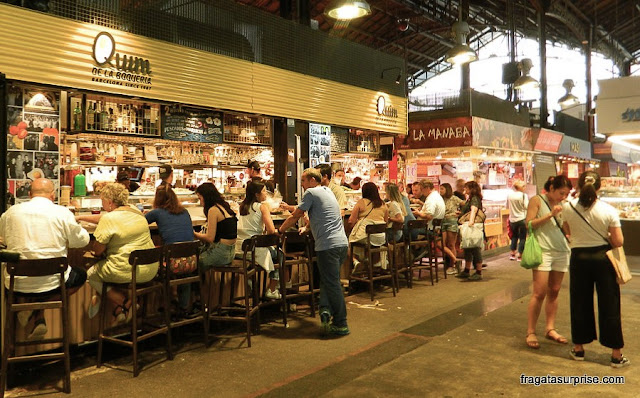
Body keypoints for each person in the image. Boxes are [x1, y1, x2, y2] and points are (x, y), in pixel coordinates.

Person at [0, 178, 89, 339]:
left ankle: (31, 310)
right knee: (81, 275)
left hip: (16, 283)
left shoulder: (10, 213)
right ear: (53, 195)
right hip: (54, 282)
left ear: (29, 194)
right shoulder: (62, 213)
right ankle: (36, 311)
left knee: (30, 282)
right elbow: (81, 241)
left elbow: (5, 240)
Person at [562, 171, 629, 367]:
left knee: (579, 302)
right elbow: (618, 241)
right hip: (603, 259)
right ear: (598, 187)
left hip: (578, 258)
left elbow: (568, 231)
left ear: (579, 186)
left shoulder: (568, 207)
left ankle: (579, 349)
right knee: (609, 303)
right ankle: (616, 354)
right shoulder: (608, 210)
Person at [278, 168, 349, 336]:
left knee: (332, 284)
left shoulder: (310, 192)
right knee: (327, 279)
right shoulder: (327, 191)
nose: (301, 184)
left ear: (311, 180)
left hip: (328, 246)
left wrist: (280, 230)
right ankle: (324, 310)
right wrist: (308, 226)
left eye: (303, 180)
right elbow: (322, 215)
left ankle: (341, 323)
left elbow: (296, 215)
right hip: (341, 244)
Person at [77, 183, 157, 323]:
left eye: (102, 201)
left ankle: (125, 302)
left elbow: (98, 250)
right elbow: (104, 218)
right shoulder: (135, 211)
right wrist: (81, 218)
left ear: (109, 202)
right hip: (149, 269)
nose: (102, 206)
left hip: (126, 271)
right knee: (111, 270)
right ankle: (120, 311)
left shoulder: (110, 219)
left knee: (92, 275)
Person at [524, 175, 572, 350]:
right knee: (539, 292)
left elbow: (566, 227)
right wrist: (550, 215)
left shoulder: (565, 205)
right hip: (543, 251)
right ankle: (531, 331)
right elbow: (529, 224)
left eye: (566, 194)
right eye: (561, 193)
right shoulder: (537, 200)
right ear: (551, 188)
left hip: (562, 251)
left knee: (555, 291)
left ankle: (550, 328)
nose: (563, 197)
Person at [145, 185, 196, 317]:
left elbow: (140, 222)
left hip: (171, 264)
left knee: (152, 268)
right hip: (192, 262)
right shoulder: (184, 211)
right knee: (184, 274)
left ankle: (164, 306)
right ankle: (183, 308)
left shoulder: (157, 212)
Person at [236, 181, 281, 299]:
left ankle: (251, 295)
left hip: (240, 249)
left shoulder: (242, 206)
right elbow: (271, 230)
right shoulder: (262, 207)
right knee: (279, 255)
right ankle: (271, 290)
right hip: (254, 248)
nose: (266, 194)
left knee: (251, 267)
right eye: (264, 191)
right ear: (257, 194)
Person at [194, 183, 237, 269]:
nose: (200, 202)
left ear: (206, 197)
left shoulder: (213, 210)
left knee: (192, 264)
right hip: (230, 253)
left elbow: (210, 238)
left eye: (200, 198)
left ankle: (199, 282)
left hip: (220, 254)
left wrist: (194, 234)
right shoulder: (224, 207)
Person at [347, 182, 389, 268]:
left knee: (347, 243)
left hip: (366, 237)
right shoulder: (383, 204)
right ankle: (372, 264)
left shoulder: (361, 202)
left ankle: (356, 262)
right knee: (368, 243)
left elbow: (351, 221)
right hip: (381, 238)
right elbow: (386, 221)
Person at [455, 181, 484, 281]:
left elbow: (474, 210)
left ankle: (478, 272)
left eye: (466, 188)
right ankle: (467, 270)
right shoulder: (471, 198)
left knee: (475, 248)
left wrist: (471, 221)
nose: (465, 190)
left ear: (471, 189)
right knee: (467, 248)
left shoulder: (474, 198)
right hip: (469, 225)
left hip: (473, 225)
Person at [440, 183, 463, 274]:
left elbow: (464, 204)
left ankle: (452, 265)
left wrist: (460, 212)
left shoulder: (454, 198)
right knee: (442, 243)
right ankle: (454, 261)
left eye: (442, 189)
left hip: (452, 221)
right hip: (443, 221)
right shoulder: (440, 199)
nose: (440, 191)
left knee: (451, 244)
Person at [508, 180, 528, 261]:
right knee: (522, 237)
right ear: (521, 187)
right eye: (524, 186)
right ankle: (520, 255)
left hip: (512, 219)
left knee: (514, 236)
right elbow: (526, 206)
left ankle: (512, 253)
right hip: (522, 218)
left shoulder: (510, 195)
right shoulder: (523, 196)